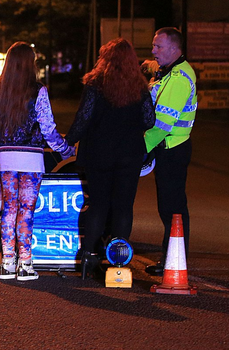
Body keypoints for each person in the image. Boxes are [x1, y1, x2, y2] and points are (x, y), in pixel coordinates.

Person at [65, 39, 155, 277]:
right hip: (129, 155)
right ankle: (119, 260)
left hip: (99, 154)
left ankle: (88, 258)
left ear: (104, 59)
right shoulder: (140, 86)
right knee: (123, 207)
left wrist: (68, 140)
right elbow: (149, 120)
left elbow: (83, 118)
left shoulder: (95, 84)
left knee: (98, 205)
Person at [0, 42, 74, 281]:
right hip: (32, 159)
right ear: (30, 63)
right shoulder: (38, 91)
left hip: (6, 158)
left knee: (9, 209)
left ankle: (7, 262)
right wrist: (65, 149)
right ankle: (25, 264)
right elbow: (48, 128)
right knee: (26, 210)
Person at [143, 27, 196, 276]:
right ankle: (173, 259)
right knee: (170, 207)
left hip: (172, 149)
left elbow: (162, 123)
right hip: (169, 148)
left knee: (172, 208)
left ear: (175, 49)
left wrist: (139, 148)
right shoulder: (170, 72)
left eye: (158, 47)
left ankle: (174, 261)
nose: (153, 51)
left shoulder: (178, 78)